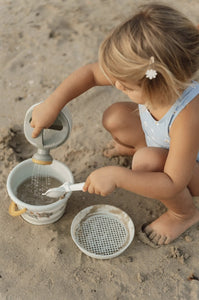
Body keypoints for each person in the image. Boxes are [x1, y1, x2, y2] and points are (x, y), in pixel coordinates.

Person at [30, 3, 199, 247]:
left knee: (146, 162)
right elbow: (90, 74)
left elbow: (174, 182)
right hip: (164, 144)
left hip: (190, 171)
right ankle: (140, 149)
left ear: (159, 85)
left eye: (127, 86)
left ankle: (183, 214)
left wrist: (119, 176)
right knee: (116, 116)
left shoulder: (187, 117)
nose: (117, 85)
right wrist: (52, 103)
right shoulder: (146, 71)